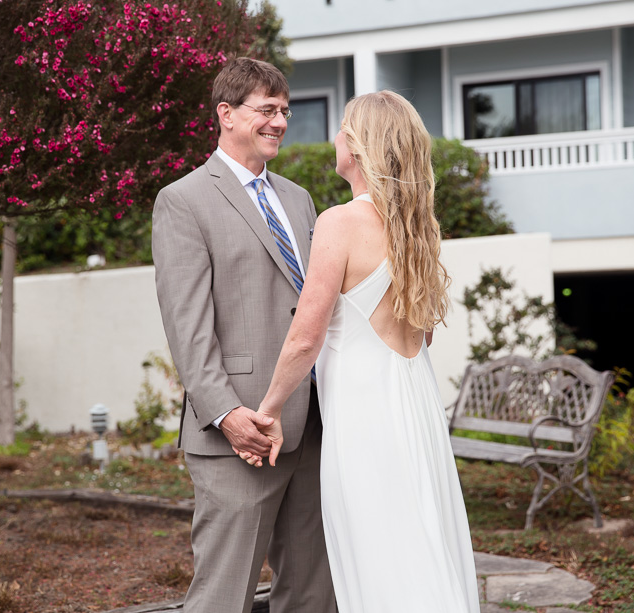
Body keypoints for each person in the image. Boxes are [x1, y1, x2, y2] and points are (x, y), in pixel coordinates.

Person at [241, 90, 482, 612]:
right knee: (419, 542)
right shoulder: (416, 228)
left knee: (379, 554)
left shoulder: (341, 222)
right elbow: (422, 334)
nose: (336, 138)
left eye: (343, 128)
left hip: (366, 418)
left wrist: (269, 410)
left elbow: (305, 337)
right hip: (416, 406)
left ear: (358, 146)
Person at [151, 58, 336, 613]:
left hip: (314, 425)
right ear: (226, 114)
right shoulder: (183, 200)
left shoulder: (299, 198)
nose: (279, 122)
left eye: (285, 111)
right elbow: (187, 326)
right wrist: (228, 415)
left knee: (313, 593)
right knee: (223, 596)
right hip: (239, 434)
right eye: (267, 110)